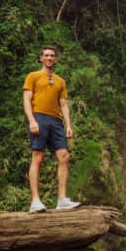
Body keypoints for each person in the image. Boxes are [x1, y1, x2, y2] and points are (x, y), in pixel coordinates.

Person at [22, 45, 81, 213]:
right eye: (46, 55)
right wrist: (32, 120)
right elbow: (26, 100)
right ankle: (35, 201)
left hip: (56, 121)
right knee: (37, 157)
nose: (49, 58)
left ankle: (62, 199)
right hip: (39, 117)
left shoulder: (60, 81)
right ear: (41, 58)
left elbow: (63, 104)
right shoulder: (33, 76)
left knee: (64, 157)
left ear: (55, 59)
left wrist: (68, 125)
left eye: (52, 56)